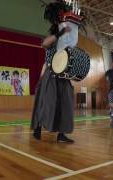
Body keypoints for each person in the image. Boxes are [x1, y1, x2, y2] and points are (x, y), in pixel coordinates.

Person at [30, 1, 77, 143]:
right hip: (51, 73)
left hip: (64, 74)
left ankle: (61, 134)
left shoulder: (69, 36)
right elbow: (44, 43)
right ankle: (37, 128)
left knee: (66, 103)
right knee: (46, 103)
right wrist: (60, 32)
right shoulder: (55, 31)